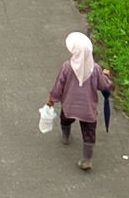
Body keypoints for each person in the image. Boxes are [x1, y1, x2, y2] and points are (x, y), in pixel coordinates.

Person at [48, 31, 115, 171]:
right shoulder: (95, 69)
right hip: (88, 110)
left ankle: (66, 136)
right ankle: (87, 160)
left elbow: (59, 86)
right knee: (89, 133)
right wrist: (108, 79)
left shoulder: (67, 67)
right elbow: (104, 85)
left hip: (69, 105)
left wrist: (52, 99)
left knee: (65, 120)